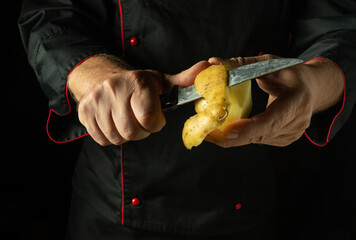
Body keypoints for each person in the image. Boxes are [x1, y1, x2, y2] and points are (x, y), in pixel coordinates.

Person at [18, 0, 355, 239]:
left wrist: (315, 84)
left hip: (247, 197)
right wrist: (92, 76)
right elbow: (50, 12)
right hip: (113, 208)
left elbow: (342, 25)